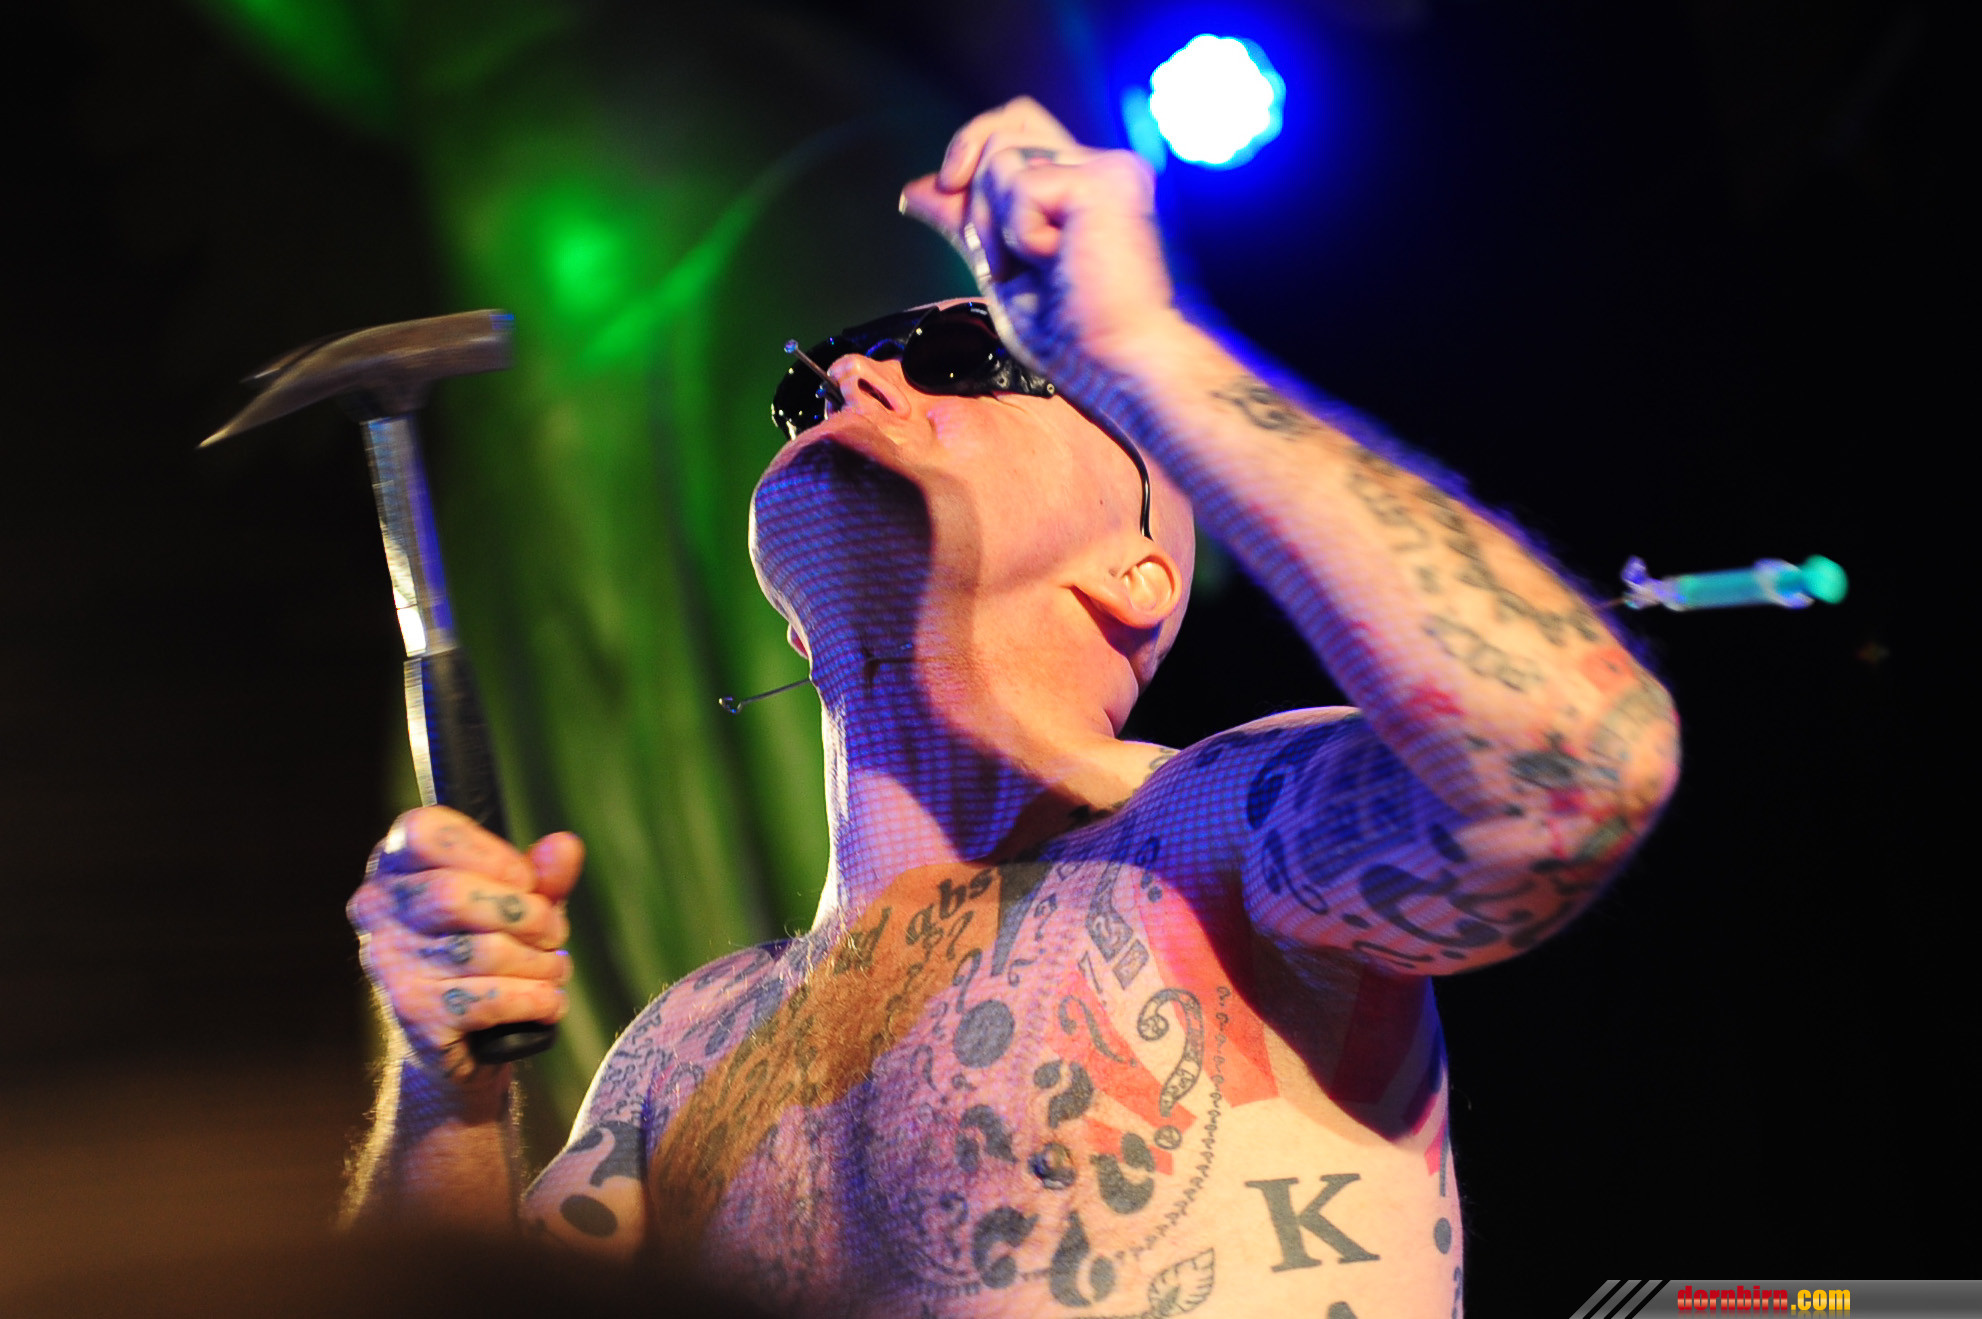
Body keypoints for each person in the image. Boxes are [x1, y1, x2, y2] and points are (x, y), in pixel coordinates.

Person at [342, 99, 1679, 1318]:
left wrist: (1137, 348)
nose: (851, 383)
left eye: (964, 358)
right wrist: (445, 1096)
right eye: (808, 386)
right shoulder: (678, 1053)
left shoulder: (1216, 838)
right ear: (792, 622)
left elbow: (1576, 769)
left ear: (1138, 573)